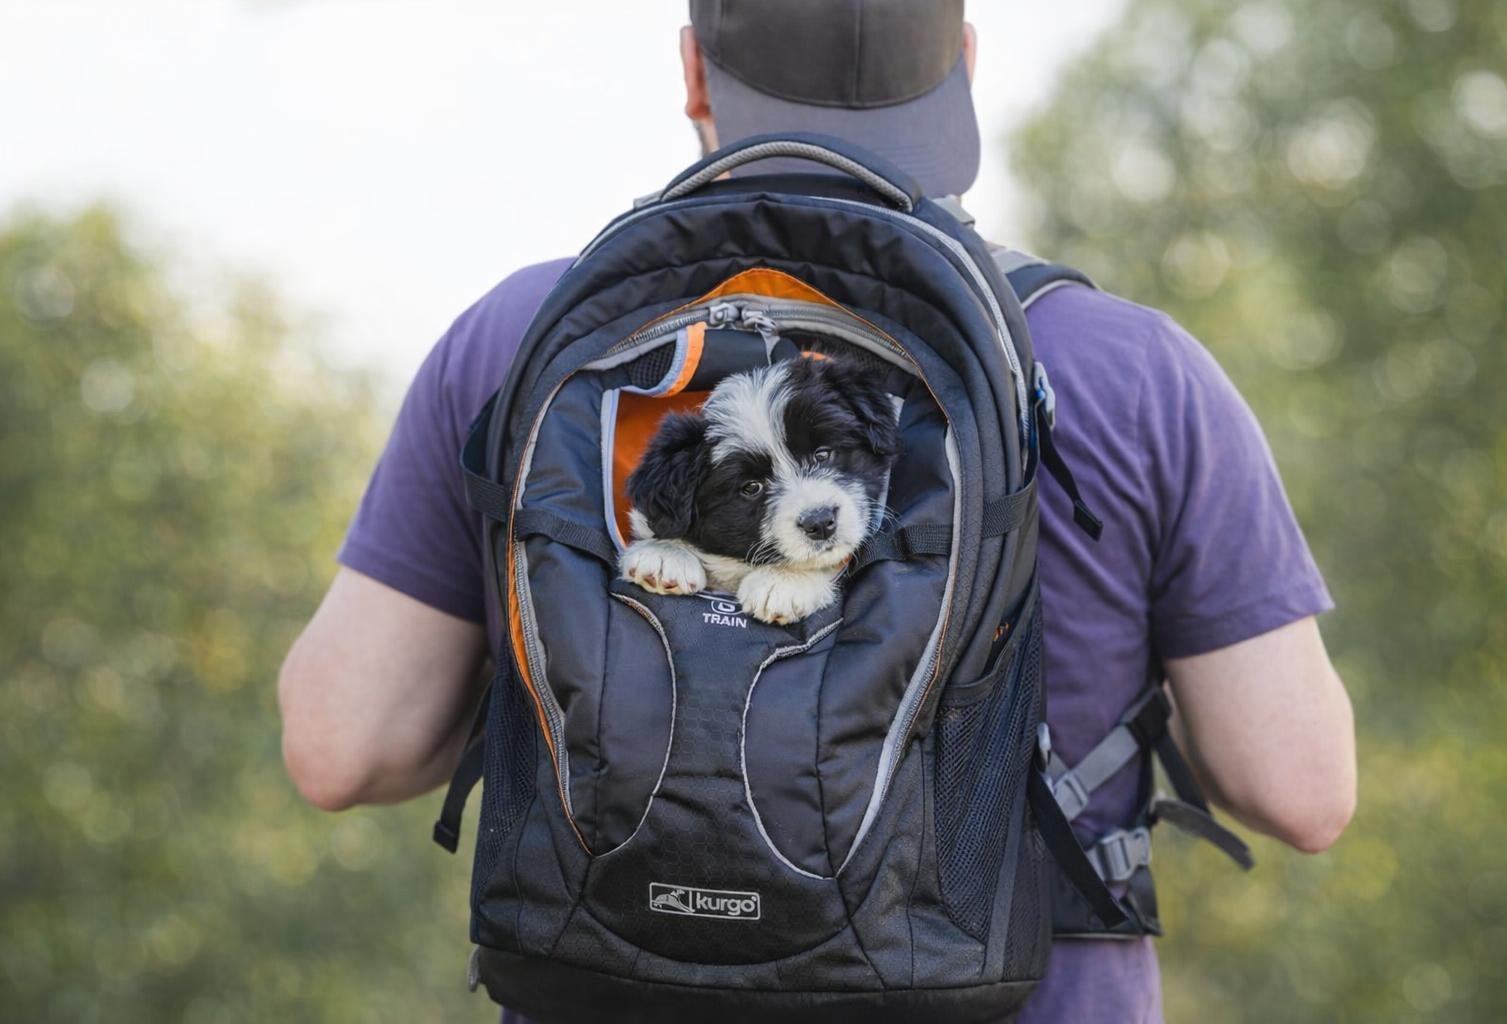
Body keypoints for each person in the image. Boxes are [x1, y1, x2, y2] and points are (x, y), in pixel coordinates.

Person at [278, 2, 1357, 1020]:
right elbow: (1299, 788)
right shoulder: (1133, 372)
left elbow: (341, 747)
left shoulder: (524, 338)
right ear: (965, 67)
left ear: (693, 70)